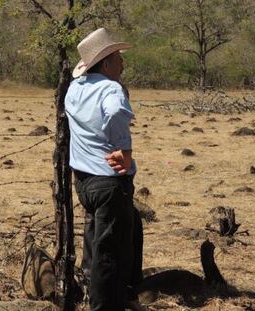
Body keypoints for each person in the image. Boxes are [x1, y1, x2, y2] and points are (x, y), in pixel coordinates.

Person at [65, 28, 144, 311]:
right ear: (107, 62)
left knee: (123, 229)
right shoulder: (110, 89)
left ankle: (124, 293)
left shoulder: (75, 89)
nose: (123, 63)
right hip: (109, 182)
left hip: (84, 182)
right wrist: (125, 149)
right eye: (118, 58)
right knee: (108, 253)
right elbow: (115, 112)